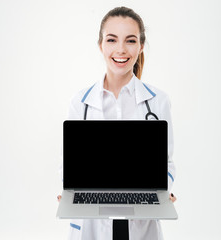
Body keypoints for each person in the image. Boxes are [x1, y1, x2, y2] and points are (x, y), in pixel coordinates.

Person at [58, 6, 177, 240]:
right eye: (112, 40)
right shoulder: (79, 103)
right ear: (100, 45)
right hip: (91, 226)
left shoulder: (158, 102)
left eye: (130, 41)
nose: (121, 50)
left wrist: (162, 191)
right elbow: (68, 165)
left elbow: (168, 163)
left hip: (141, 223)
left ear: (141, 46)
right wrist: (70, 191)